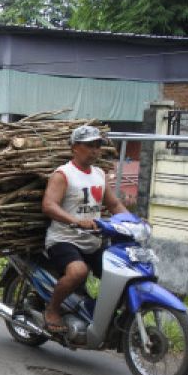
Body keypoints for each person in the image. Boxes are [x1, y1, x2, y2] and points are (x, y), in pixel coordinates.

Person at [40, 124, 128, 334]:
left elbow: (114, 204)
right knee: (78, 271)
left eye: (98, 145)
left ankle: (95, 314)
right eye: (89, 145)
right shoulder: (64, 174)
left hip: (93, 241)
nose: (95, 150)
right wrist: (76, 221)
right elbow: (49, 205)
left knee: (121, 275)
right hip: (64, 238)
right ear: (75, 147)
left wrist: (132, 221)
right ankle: (52, 309)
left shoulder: (99, 174)